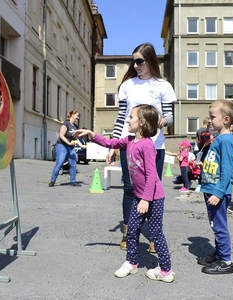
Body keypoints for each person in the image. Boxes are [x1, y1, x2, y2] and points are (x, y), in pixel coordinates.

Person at [73, 104, 174, 282]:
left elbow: (152, 175)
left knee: (156, 232)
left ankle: (165, 270)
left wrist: (145, 199)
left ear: (141, 122)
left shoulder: (147, 145)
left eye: (131, 117)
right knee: (132, 230)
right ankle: (131, 263)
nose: (128, 119)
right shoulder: (128, 141)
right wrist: (91, 134)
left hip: (153, 197)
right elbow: (109, 142)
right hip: (139, 196)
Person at [106, 43, 177, 251]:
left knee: (153, 189)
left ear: (150, 60)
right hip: (129, 144)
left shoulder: (163, 86)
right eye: (133, 61)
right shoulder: (128, 85)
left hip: (155, 145)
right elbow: (121, 118)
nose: (135, 65)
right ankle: (129, 232)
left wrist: (161, 122)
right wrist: (112, 146)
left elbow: (170, 116)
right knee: (129, 188)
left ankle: (155, 234)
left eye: (139, 61)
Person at [197, 99, 233, 275]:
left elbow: (228, 170)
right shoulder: (219, 138)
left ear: (226, 119)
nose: (210, 120)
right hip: (211, 189)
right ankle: (219, 253)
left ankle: (226, 261)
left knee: (219, 225)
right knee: (215, 224)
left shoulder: (226, 140)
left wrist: (219, 192)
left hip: (217, 192)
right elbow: (217, 163)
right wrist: (203, 166)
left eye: (213, 117)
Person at [49, 110, 85, 187]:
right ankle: (52, 181)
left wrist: (81, 145)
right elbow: (61, 135)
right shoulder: (66, 124)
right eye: (77, 116)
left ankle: (73, 181)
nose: (78, 118)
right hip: (62, 146)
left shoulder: (75, 127)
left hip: (71, 147)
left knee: (73, 164)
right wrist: (68, 143)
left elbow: (76, 138)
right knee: (59, 163)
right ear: (72, 115)